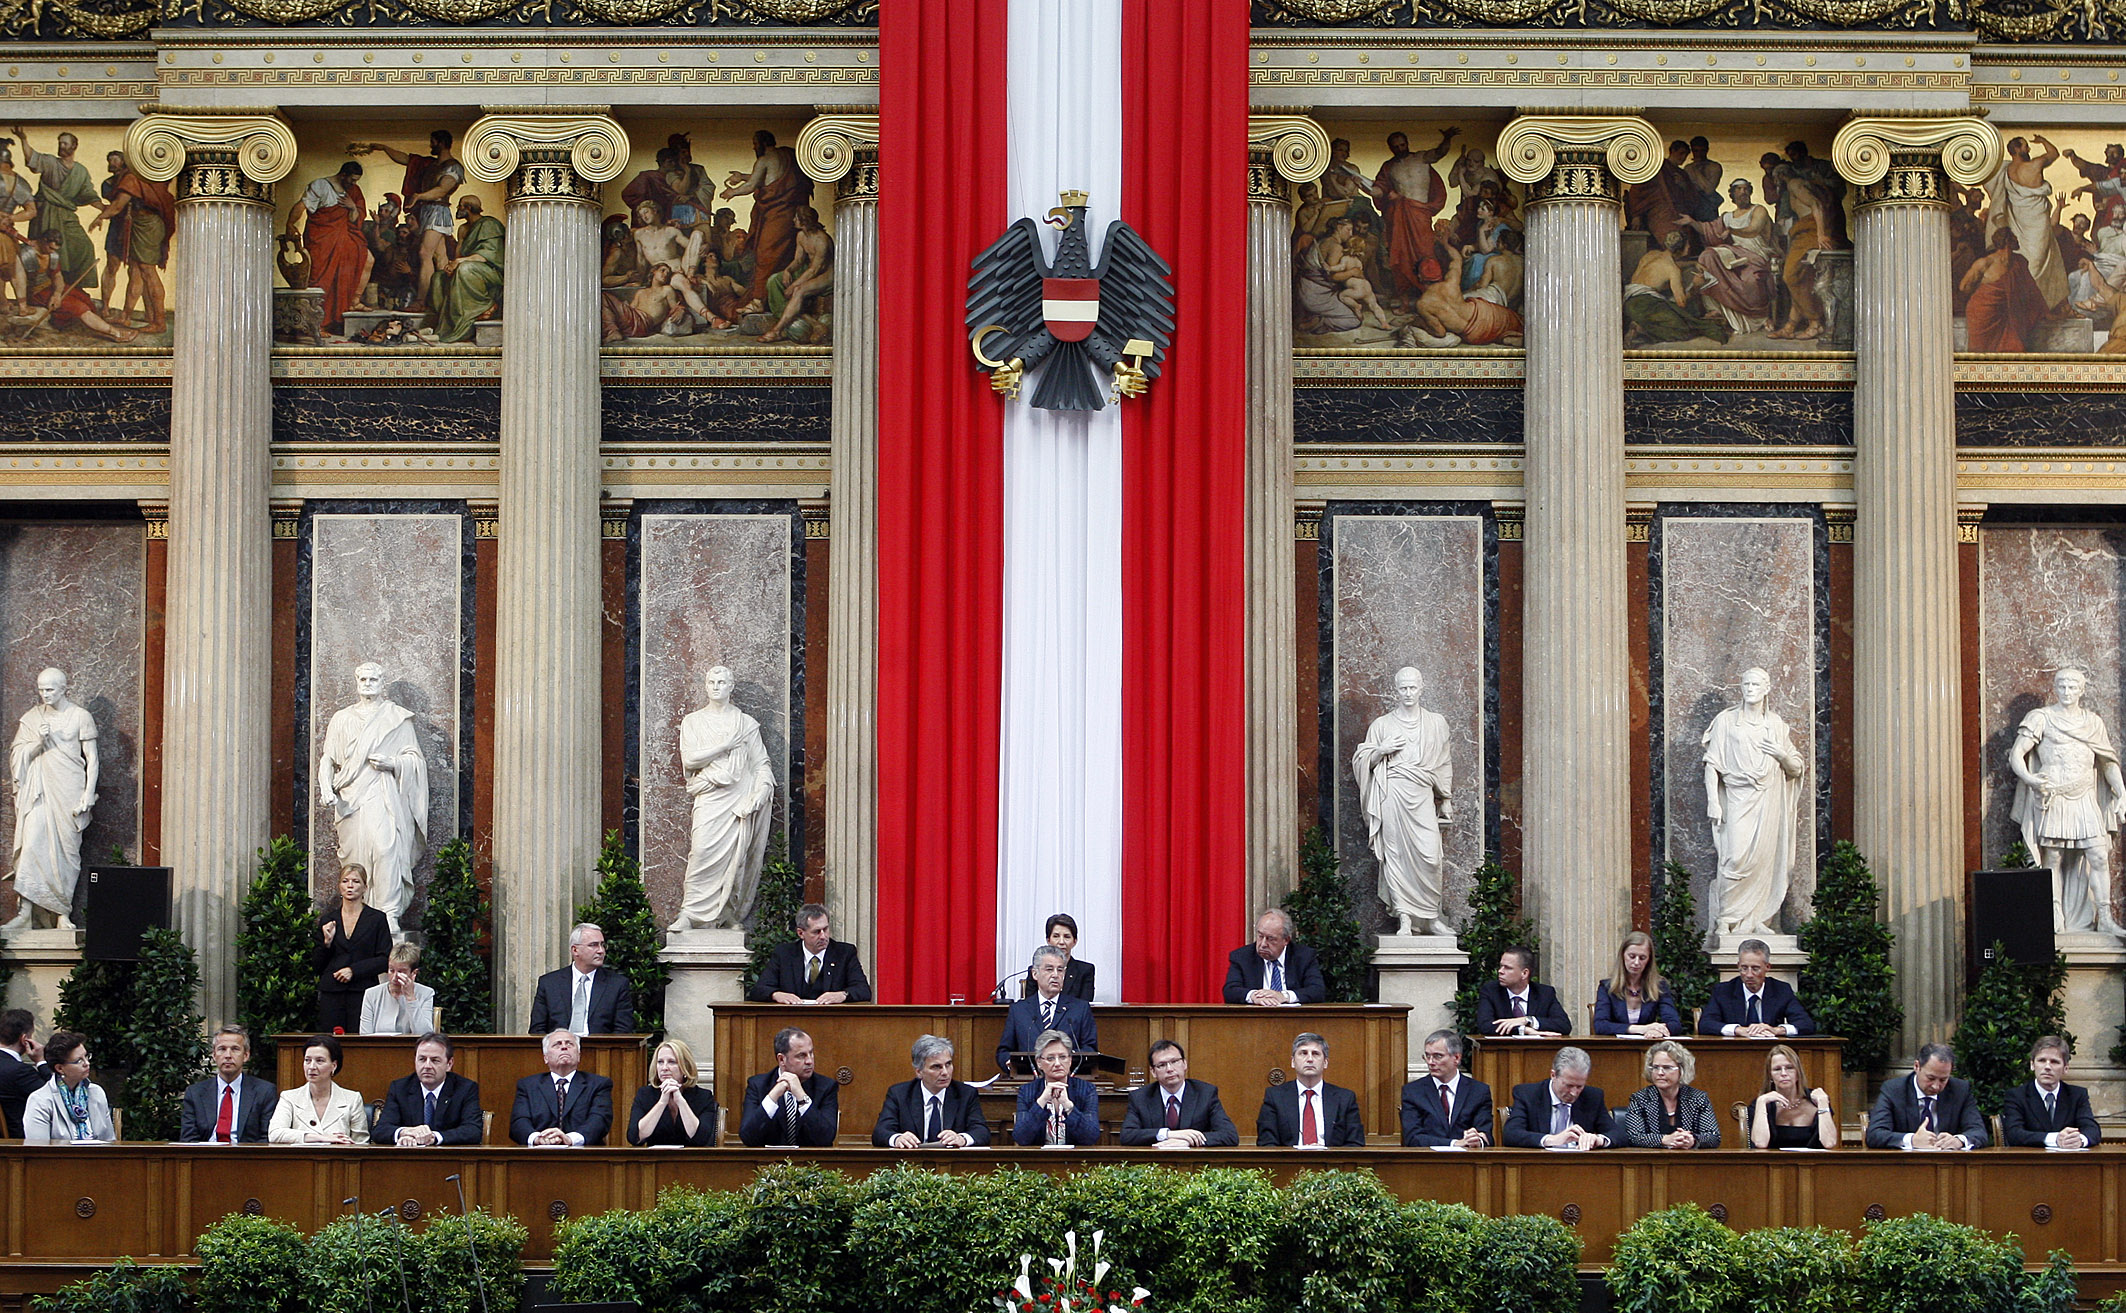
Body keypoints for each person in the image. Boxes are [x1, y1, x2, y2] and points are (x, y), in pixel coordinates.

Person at [2008, 667, 2126, 934]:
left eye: (2072, 687)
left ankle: (2105, 917)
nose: (2066, 692)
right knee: (2053, 859)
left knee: (2098, 855)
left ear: (2082, 690)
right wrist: (2029, 778)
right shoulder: (2041, 718)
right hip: (2055, 797)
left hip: (2084, 796)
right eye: (2061, 686)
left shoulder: (2093, 722)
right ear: (2055, 687)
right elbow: (2017, 754)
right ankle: (2054, 913)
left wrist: (2121, 792)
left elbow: (2108, 762)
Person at [315, 661, 428, 935]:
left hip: (383, 794)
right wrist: (326, 788)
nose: (367, 684)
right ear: (356, 682)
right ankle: (358, 913)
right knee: (356, 858)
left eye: (373, 680)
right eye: (363, 680)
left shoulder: (396, 718)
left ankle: (388, 913)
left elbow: (415, 759)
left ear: (382, 682)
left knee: (386, 849)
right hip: (351, 798)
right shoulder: (342, 719)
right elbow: (327, 759)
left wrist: (392, 762)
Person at [1350, 666, 1456, 936]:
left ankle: (1431, 917)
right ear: (1395, 691)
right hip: (1392, 794)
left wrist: (1445, 799)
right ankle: (1405, 917)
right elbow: (1361, 760)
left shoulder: (1436, 723)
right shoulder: (1382, 725)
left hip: (1421, 794)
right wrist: (1381, 751)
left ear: (1422, 688)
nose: (1408, 693)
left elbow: (1443, 763)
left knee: (1431, 856)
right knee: (1395, 857)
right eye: (1402, 688)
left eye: (1412, 688)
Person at [670, 665, 775, 933]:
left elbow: (761, 764)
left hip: (738, 800)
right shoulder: (693, 722)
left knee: (735, 858)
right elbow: (690, 759)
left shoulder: (746, 724)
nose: (716, 687)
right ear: (705, 686)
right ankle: (690, 913)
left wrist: (759, 794)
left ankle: (728, 914)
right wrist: (725, 746)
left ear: (731, 687)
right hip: (709, 797)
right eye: (712, 682)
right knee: (702, 852)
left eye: (722, 682)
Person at [1703, 668, 1808, 937]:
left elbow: (1795, 768)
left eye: (1756, 684)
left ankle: (1760, 917)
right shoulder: (1727, 721)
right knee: (1734, 856)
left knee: (1765, 860)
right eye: (1746, 684)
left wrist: (1781, 754)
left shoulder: (1775, 724)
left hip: (1768, 800)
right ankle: (1726, 918)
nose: (1750, 689)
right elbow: (1712, 764)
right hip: (1738, 798)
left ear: (1767, 688)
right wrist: (1713, 801)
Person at [5, 668, 98, 933]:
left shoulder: (80, 716)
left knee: (67, 855)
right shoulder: (32, 719)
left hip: (69, 791)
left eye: (50, 690)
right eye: (41, 689)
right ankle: (25, 913)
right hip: (39, 792)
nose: (45, 694)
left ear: (64, 688)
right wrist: (39, 741)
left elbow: (92, 759)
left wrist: (88, 793)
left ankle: (61, 913)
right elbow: (17, 757)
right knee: (32, 842)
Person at [350, 131, 463, 314]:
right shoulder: (430, 164)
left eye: (433, 142)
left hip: (437, 211)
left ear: (441, 143)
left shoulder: (453, 167)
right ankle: (442, 299)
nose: (431, 146)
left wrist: (419, 195)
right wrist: (385, 148)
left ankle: (421, 301)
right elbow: (406, 159)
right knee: (440, 257)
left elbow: (442, 190)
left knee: (425, 253)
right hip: (427, 211)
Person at [721, 129, 815, 304]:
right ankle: (773, 297)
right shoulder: (787, 155)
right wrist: (741, 176)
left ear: (763, 143)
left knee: (766, 254)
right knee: (785, 253)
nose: (754, 148)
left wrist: (732, 192)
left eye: (755, 144)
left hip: (776, 215)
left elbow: (752, 185)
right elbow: (769, 178)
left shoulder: (764, 159)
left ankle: (759, 300)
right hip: (790, 213)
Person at [86, 159, 174, 337]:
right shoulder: (147, 177)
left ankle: (159, 322)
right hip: (143, 224)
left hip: (146, 225)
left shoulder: (133, 178)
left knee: (148, 271)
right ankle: (140, 316)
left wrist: (100, 217)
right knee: (140, 269)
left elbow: (118, 206)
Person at [286, 160, 371, 336]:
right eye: (352, 180)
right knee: (320, 277)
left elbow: (356, 218)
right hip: (322, 239)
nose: (354, 184)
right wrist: (290, 223)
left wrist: (352, 206)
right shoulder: (321, 185)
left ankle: (344, 311)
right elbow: (302, 205)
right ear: (342, 175)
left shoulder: (353, 191)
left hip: (343, 237)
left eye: (356, 181)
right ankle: (315, 324)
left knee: (363, 259)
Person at [1985, 134, 2069, 311]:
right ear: (2016, 150)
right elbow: (2053, 154)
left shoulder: (2005, 172)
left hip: (2022, 220)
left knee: (2031, 258)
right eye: (2025, 147)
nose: (2028, 149)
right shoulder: (2034, 164)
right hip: (2034, 221)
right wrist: (2043, 141)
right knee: (2038, 258)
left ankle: (2035, 303)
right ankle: (2034, 303)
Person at [12, 127, 97, 292]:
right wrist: (23, 139)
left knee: (85, 246)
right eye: (60, 143)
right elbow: (32, 159)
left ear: (74, 146)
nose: (61, 146)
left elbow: (88, 194)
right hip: (46, 212)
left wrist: (104, 209)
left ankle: (74, 286)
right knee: (49, 250)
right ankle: (48, 287)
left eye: (65, 143)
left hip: (66, 214)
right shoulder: (51, 162)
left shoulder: (80, 171)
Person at [874, 1034, 991, 1148]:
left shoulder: (966, 1093)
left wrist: (962, 1139)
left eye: (948, 1064)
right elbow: (880, 1132)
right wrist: (897, 1138)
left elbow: (982, 1132)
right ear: (919, 1072)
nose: (945, 1072)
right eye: (936, 1067)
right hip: (912, 1162)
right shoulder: (899, 1094)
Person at [1865, 1043, 1988, 1150]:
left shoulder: (1960, 1090)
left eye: (1943, 1080)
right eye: (1931, 1078)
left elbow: (1979, 1132)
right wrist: (1912, 1140)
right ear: (1917, 1066)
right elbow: (1875, 1134)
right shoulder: (1894, 1090)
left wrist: (1959, 1140)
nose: (1936, 1086)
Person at [314, 863, 391, 1033]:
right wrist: (326, 943)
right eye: (345, 881)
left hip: (363, 992)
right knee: (330, 1043)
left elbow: (384, 959)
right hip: (332, 993)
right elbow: (317, 965)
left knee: (360, 1041)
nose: (350, 886)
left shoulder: (377, 919)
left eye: (356, 881)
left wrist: (353, 970)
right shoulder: (328, 919)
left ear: (365, 887)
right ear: (339, 886)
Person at [997, 944, 1097, 1074]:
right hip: (1027, 1081)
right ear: (1035, 973)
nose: (1055, 975)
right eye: (1049, 969)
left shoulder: (1080, 1008)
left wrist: (1066, 1058)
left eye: (1060, 970)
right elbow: (1003, 1051)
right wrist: (1010, 1064)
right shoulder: (1019, 1010)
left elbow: (1091, 1050)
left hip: (1068, 1081)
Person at [1120, 1039, 1239, 1148]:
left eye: (1175, 1061)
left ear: (1184, 1064)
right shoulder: (1140, 1097)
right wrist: (1168, 1134)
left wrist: (1189, 1141)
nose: (1170, 1069)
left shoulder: (1205, 1093)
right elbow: (1127, 1135)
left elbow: (1229, 1135)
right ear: (1153, 1072)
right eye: (1162, 1065)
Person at [373, 1032, 483, 1147]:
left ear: (449, 1064)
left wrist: (434, 1137)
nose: (427, 1066)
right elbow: (380, 1130)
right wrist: (405, 1132)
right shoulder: (400, 1088)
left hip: (448, 1159)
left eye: (435, 1060)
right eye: (422, 1059)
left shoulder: (465, 1088)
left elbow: (473, 1131)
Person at [749, 903, 873, 1004]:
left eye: (825, 929)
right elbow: (758, 990)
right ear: (800, 933)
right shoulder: (784, 954)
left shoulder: (844, 953)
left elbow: (863, 991)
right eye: (816, 932)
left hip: (833, 1022)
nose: (823, 936)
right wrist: (776, 994)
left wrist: (843, 995)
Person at [1257, 1032, 1364, 1148]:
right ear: (1293, 1062)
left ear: (1325, 1062)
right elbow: (1266, 1143)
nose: (1309, 1059)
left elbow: (1355, 1143)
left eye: (1315, 1054)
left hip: (1331, 1163)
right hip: (1290, 1163)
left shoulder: (1344, 1098)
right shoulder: (1275, 1097)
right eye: (1303, 1053)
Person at [510, 1029, 614, 1148]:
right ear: (546, 1058)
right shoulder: (528, 1085)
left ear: (579, 1056)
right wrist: (538, 1139)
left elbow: (599, 1120)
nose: (564, 1047)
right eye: (557, 1044)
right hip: (537, 1155)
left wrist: (570, 1139)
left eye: (569, 1044)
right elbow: (519, 1122)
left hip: (584, 1156)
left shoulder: (598, 1084)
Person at [739, 1026, 838, 1147]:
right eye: (801, 1056)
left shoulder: (826, 1087)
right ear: (781, 1059)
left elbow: (826, 1138)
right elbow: (748, 1138)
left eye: (811, 1053)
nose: (809, 1061)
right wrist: (773, 1096)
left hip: (812, 1162)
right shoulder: (758, 1085)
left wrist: (802, 1097)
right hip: (767, 1162)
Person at [529, 923, 635, 1035]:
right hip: (561, 1050)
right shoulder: (549, 983)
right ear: (575, 950)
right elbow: (537, 1030)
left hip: (599, 1050)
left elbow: (623, 1031)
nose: (601, 951)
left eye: (602, 945)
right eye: (593, 945)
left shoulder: (617, 984)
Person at [178, 1025, 276, 1143]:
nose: (228, 1055)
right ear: (214, 1055)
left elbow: (267, 1138)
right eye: (222, 1049)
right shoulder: (195, 1093)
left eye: (235, 1049)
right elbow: (188, 1139)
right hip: (206, 1157)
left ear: (246, 1056)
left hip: (246, 1157)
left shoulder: (264, 1091)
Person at [1502, 1047, 1615, 1149]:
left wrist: (1599, 1139)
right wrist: (1552, 1139)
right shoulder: (1528, 1094)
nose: (1574, 1093)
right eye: (1569, 1085)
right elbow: (1511, 1134)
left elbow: (1617, 1133)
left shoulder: (1593, 1096)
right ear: (1553, 1075)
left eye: (1579, 1086)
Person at [1696, 939, 1814, 1036]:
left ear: (1767, 967)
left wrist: (1776, 1030)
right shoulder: (1724, 990)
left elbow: (1806, 1024)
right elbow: (1706, 1024)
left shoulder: (1781, 990)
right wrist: (1738, 1030)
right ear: (1738, 966)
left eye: (1755, 968)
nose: (1749, 974)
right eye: (1744, 968)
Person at [2000, 1035, 2100, 1149]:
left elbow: (2092, 1129)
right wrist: (2055, 1139)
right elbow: (2014, 1134)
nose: (2047, 1067)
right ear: (2032, 1065)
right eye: (2042, 1060)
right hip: (2031, 1162)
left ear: (2065, 1068)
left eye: (2054, 1062)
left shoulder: (2077, 1095)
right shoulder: (2016, 1096)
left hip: (2069, 1163)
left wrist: (2080, 1140)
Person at [268, 1034, 369, 1144]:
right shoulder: (289, 1097)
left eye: (319, 1061)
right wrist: (321, 1138)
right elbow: (275, 1134)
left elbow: (361, 1143)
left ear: (333, 1066)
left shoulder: (352, 1099)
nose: (312, 1067)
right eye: (307, 1060)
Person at [1620, 1040, 1722, 1149]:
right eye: (1655, 1067)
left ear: (1682, 1070)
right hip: (1653, 1161)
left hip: (1690, 1161)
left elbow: (1714, 1137)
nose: (1660, 1073)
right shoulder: (1640, 1099)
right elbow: (1633, 1137)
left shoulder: (1698, 1098)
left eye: (1667, 1067)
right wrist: (1664, 1140)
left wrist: (1692, 1140)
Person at [1399, 1029, 1492, 1148]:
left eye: (1438, 1056)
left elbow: (1486, 1136)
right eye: (1427, 1056)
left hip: (1467, 1160)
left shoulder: (1479, 1091)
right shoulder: (1413, 1092)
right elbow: (1412, 1138)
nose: (1431, 1062)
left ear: (1456, 1058)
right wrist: (1454, 1143)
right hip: (1427, 1160)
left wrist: (1477, 1139)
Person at [1962, 227, 2049, 353]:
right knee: (1981, 351)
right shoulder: (1985, 263)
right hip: (1983, 313)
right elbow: (1964, 286)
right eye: (2010, 239)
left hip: (2007, 313)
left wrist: (2043, 310)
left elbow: (2031, 289)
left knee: (2014, 348)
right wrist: (1985, 292)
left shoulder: (2019, 261)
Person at [431, 195, 503, 345]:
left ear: (468, 208)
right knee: (438, 278)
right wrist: (451, 266)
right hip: (471, 267)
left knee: (465, 269)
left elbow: (486, 255)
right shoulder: (463, 229)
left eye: (460, 206)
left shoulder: (489, 224)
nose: (457, 209)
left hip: (492, 272)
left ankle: (485, 307)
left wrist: (459, 262)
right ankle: (450, 324)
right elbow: (459, 254)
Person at [1012, 1030, 1102, 1146]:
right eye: (1050, 1058)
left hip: (1077, 1160)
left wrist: (1068, 1106)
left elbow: (1090, 1138)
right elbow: (1021, 1138)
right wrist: (1042, 1101)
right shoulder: (1027, 1091)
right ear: (1039, 1062)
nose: (1058, 1063)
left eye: (1063, 1057)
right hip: (1037, 1160)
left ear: (1070, 1060)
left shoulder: (1086, 1090)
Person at [21, 1031, 112, 1143]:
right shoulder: (40, 1100)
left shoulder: (96, 1092)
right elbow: (39, 1150)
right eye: (79, 1061)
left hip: (98, 1158)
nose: (87, 1063)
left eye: (87, 1056)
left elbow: (110, 1141)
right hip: (57, 1159)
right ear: (60, 1068)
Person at [759, 205, 833, 343]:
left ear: (804, 220)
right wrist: (788, 270)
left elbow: (815, 269)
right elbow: (798, 260)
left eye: (796, 217)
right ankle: (813, 323)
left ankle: (777, 330)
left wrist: (794, 285)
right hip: (809, 270)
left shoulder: (821, 240)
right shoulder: (801, 236)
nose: (793, 220)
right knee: (774, 280)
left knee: (799, 290)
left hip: (827, 274)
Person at [629, 1036, 719, 1148]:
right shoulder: (645, 1094)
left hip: (692, 1161)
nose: (664, 1068)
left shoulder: (703, 1097)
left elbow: (701, 1139)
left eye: (672, 1062)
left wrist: (681, 1101)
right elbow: (635, 1138)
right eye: (660, 1062)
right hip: (655, 1161)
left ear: (685, 1067)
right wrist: (661, 1103)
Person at [1223, 909, 1325, 1005]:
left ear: (1286, 940)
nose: (1263, 944)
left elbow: (1317, 990)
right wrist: (1254, 996)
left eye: (1270, 939)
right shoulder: (1242, 957)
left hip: (1294, 1020)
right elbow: (1230, 990)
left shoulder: (1304, 956)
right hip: (1255, 1020)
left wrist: (1284, 996)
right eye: (1260, 936)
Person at [1593, 931, 1682, 1037]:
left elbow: (1675, 1024)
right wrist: (1640, 1029)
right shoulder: (1607, 987)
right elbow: (1600, 1025)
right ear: (1623, 956)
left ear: (1649, 960)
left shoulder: (1659, 986)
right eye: (1632, 956)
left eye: (1642, 958)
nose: (1636, 962)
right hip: (1615, 1047)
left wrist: (1658, 1031)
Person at [1749, 1043, 1837, 1149]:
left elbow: (1830, 1143)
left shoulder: (1816, 1100)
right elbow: (1760, 1143)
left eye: (1789, 1068)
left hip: (1812, 1163)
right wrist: (1761, 1103)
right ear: (1770, 1076)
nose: (1783, 1073)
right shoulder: (1761, 1104)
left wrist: (1823, 1103)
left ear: (1798, 1073)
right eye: (1777, 1069)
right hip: (1773, 1164)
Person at [1476, 946, 1572, 1036]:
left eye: (1508, 968)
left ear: (1524, 973)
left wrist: (1528, 1020)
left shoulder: (1544, 993)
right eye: (1501, 966)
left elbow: (1564, 1025)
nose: (1500, 971)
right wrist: (1523, 1030)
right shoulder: (1491, 991)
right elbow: (1485, 1026)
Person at [361, 942, 437, 1035]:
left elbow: (425, 1035)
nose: (395, 976)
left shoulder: (426, 993)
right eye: (391, 970)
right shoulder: (371, 994)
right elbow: (365, 1036)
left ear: (414, 973)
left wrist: (411, 998)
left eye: (402, 972)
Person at [1019, 913, 1095, 1001]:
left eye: (1067, 937)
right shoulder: (1037, 969)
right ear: (1048, 940)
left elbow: (1084, 1005)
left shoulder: (1085, 970)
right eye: (1056, 936)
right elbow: (1030, 1004)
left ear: (1075, 941)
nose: (1061, 942)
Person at [0, 1009, 46, 1137]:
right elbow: (54, 1096)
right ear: (25, 1039)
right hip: (18, 1146)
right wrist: (41, 1061)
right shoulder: (20, 1072)